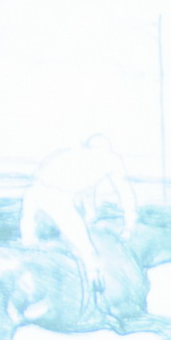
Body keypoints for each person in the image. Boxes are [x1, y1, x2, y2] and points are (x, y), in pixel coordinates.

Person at [18, 134, 143, 317]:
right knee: (89, 253)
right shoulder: (109, 160)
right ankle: (96, 304)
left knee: (29, 246)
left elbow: (85, 188)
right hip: (56, 198)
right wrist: (129, 225)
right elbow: (124, 191)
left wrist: (90, 213)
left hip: (33, 193)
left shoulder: (74, 155)